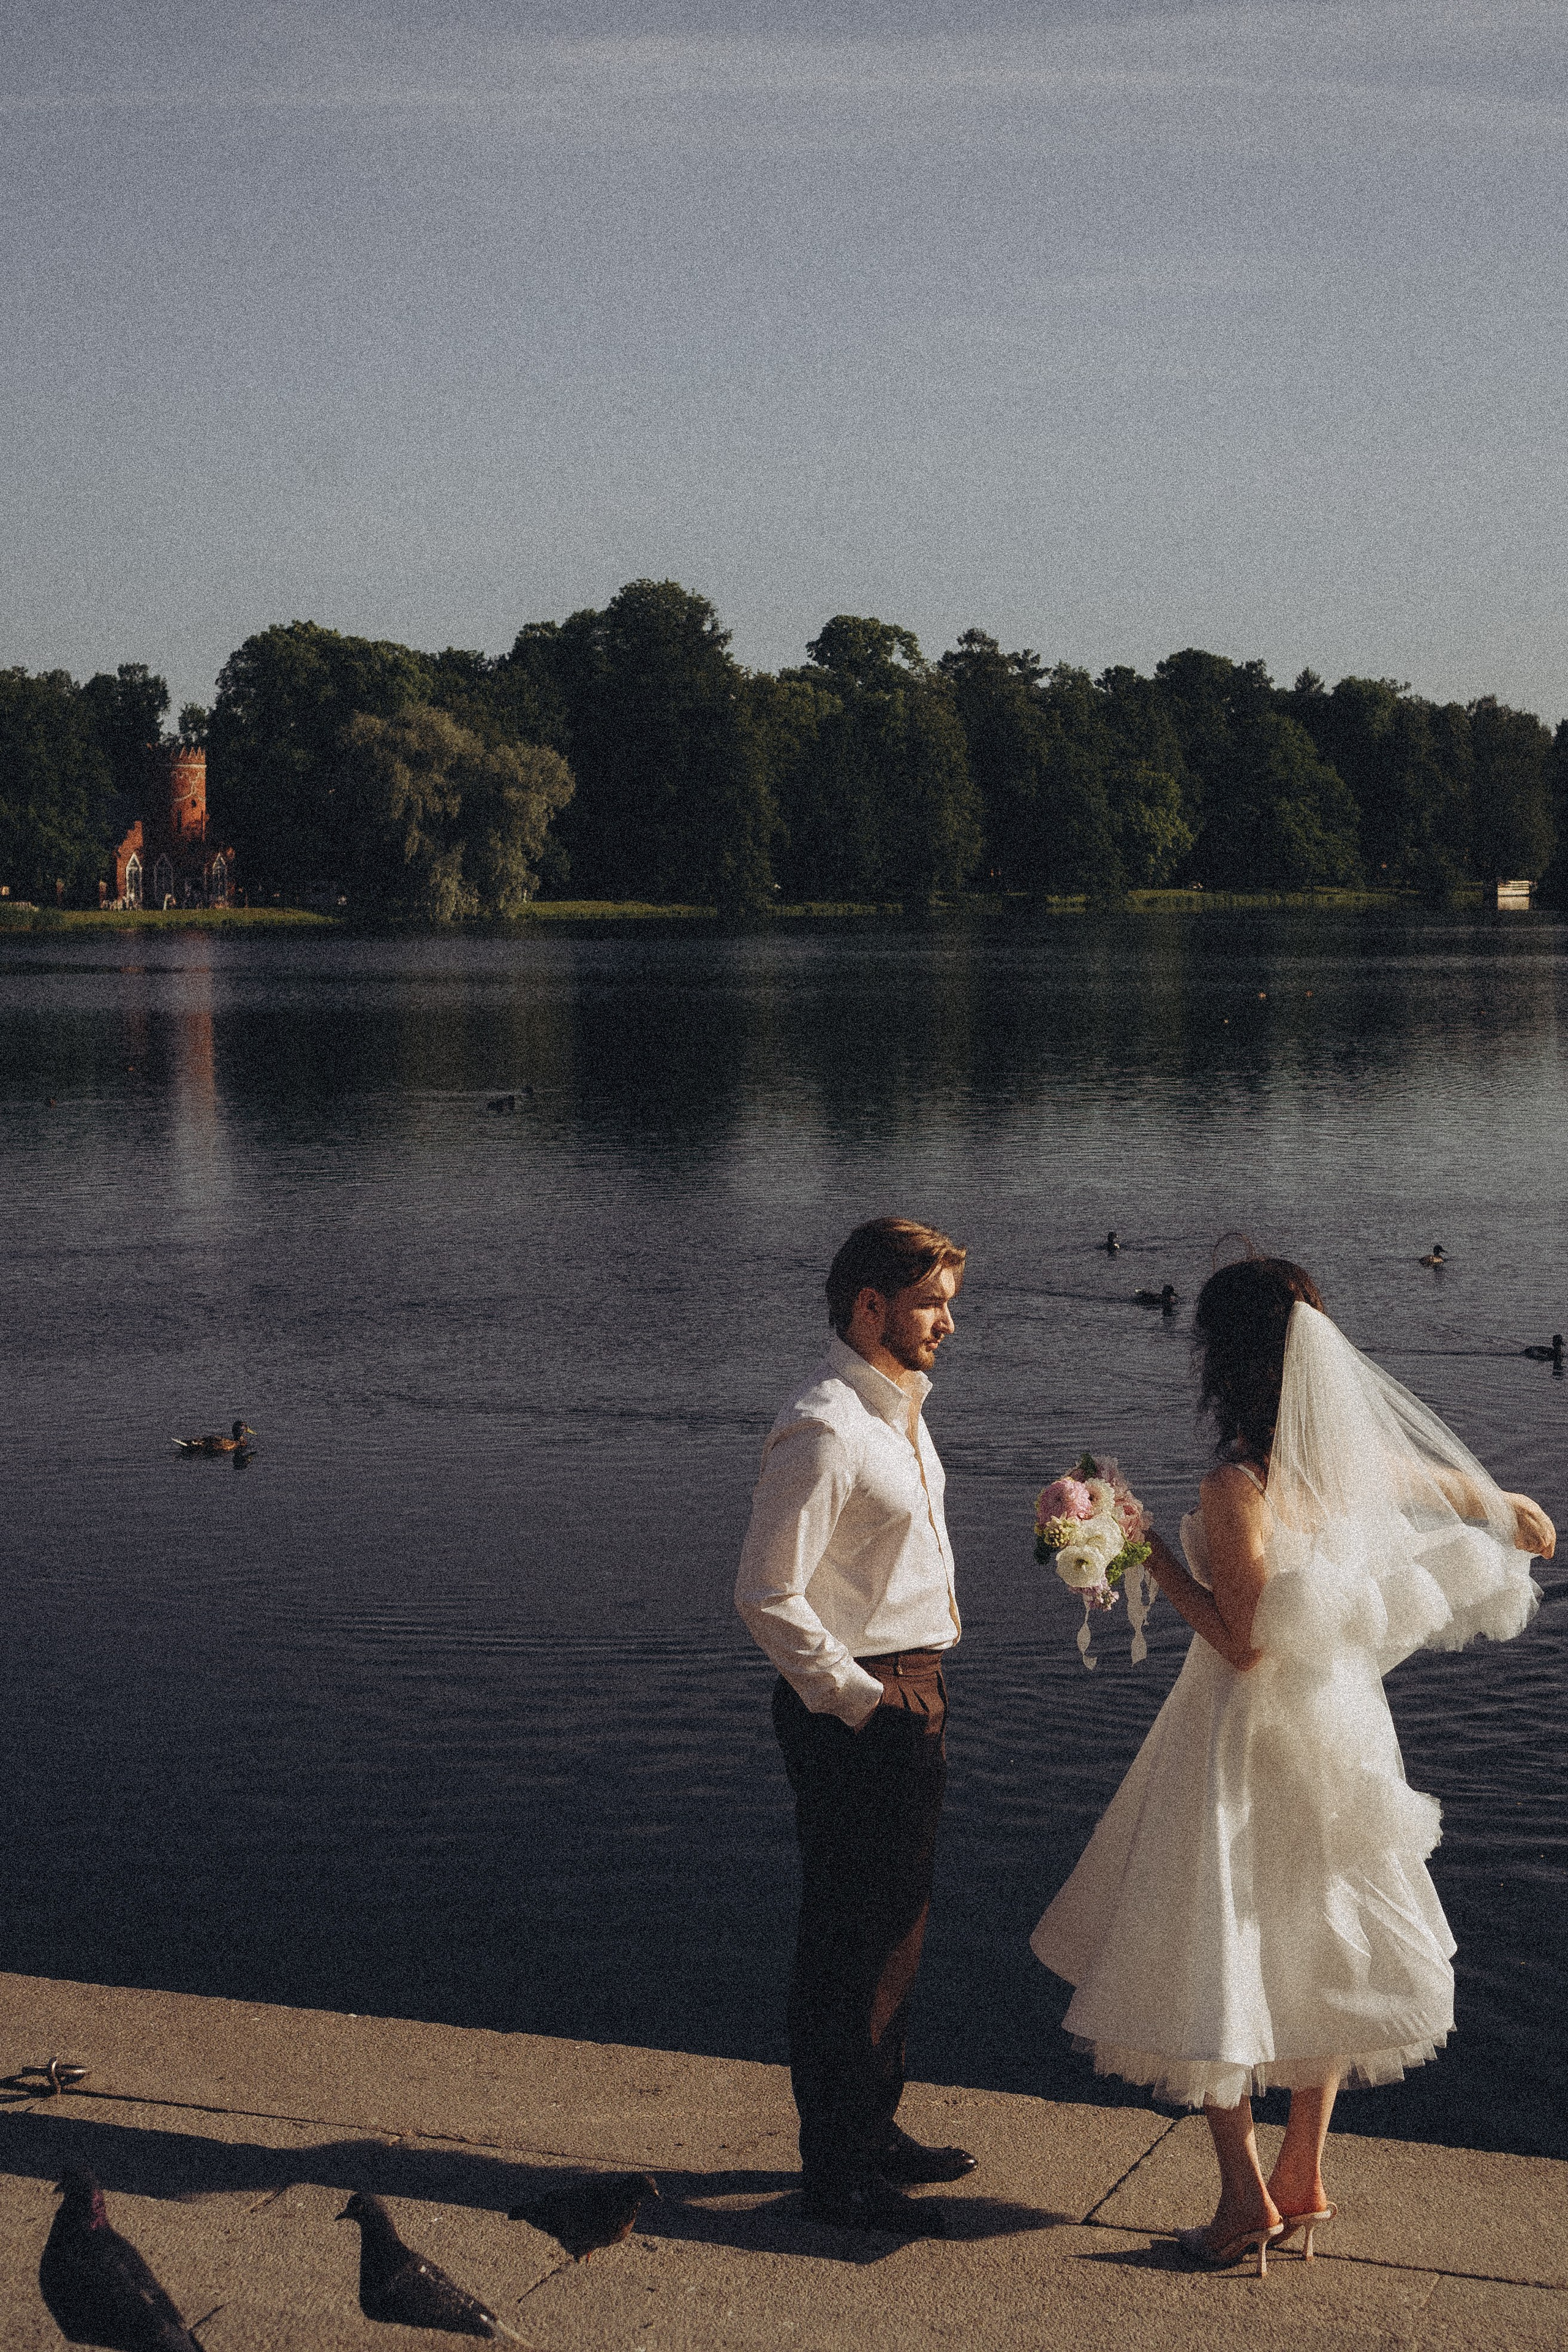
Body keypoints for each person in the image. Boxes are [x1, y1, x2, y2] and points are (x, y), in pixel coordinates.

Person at [1031, 1251, 1555, 2275]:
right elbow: (1477, 1497)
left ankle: (1244, 2200)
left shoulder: (1238, 1485)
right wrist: (1515, 1510)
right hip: (1344, 1730)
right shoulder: (1361, 1464)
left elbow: (1244, 1642)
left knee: (1214, 1940)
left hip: (1239, 1737)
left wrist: (1141, 1545)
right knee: (1326, 1934)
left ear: (1223, 1361)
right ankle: (1303, 2173)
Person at [736, 1216, 976, 2236]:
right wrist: (858, 1699)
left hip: (913, 1689)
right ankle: (834, 2173)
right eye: (931, 1305)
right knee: (846, 1942)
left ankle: (871, 2132)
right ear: (870, 1307)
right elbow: (765, 1593)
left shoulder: (900, 1412)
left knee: (897, 1931)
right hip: (861, 1707)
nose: (948, 1325)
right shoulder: (827, 1427)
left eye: (948, 1304)